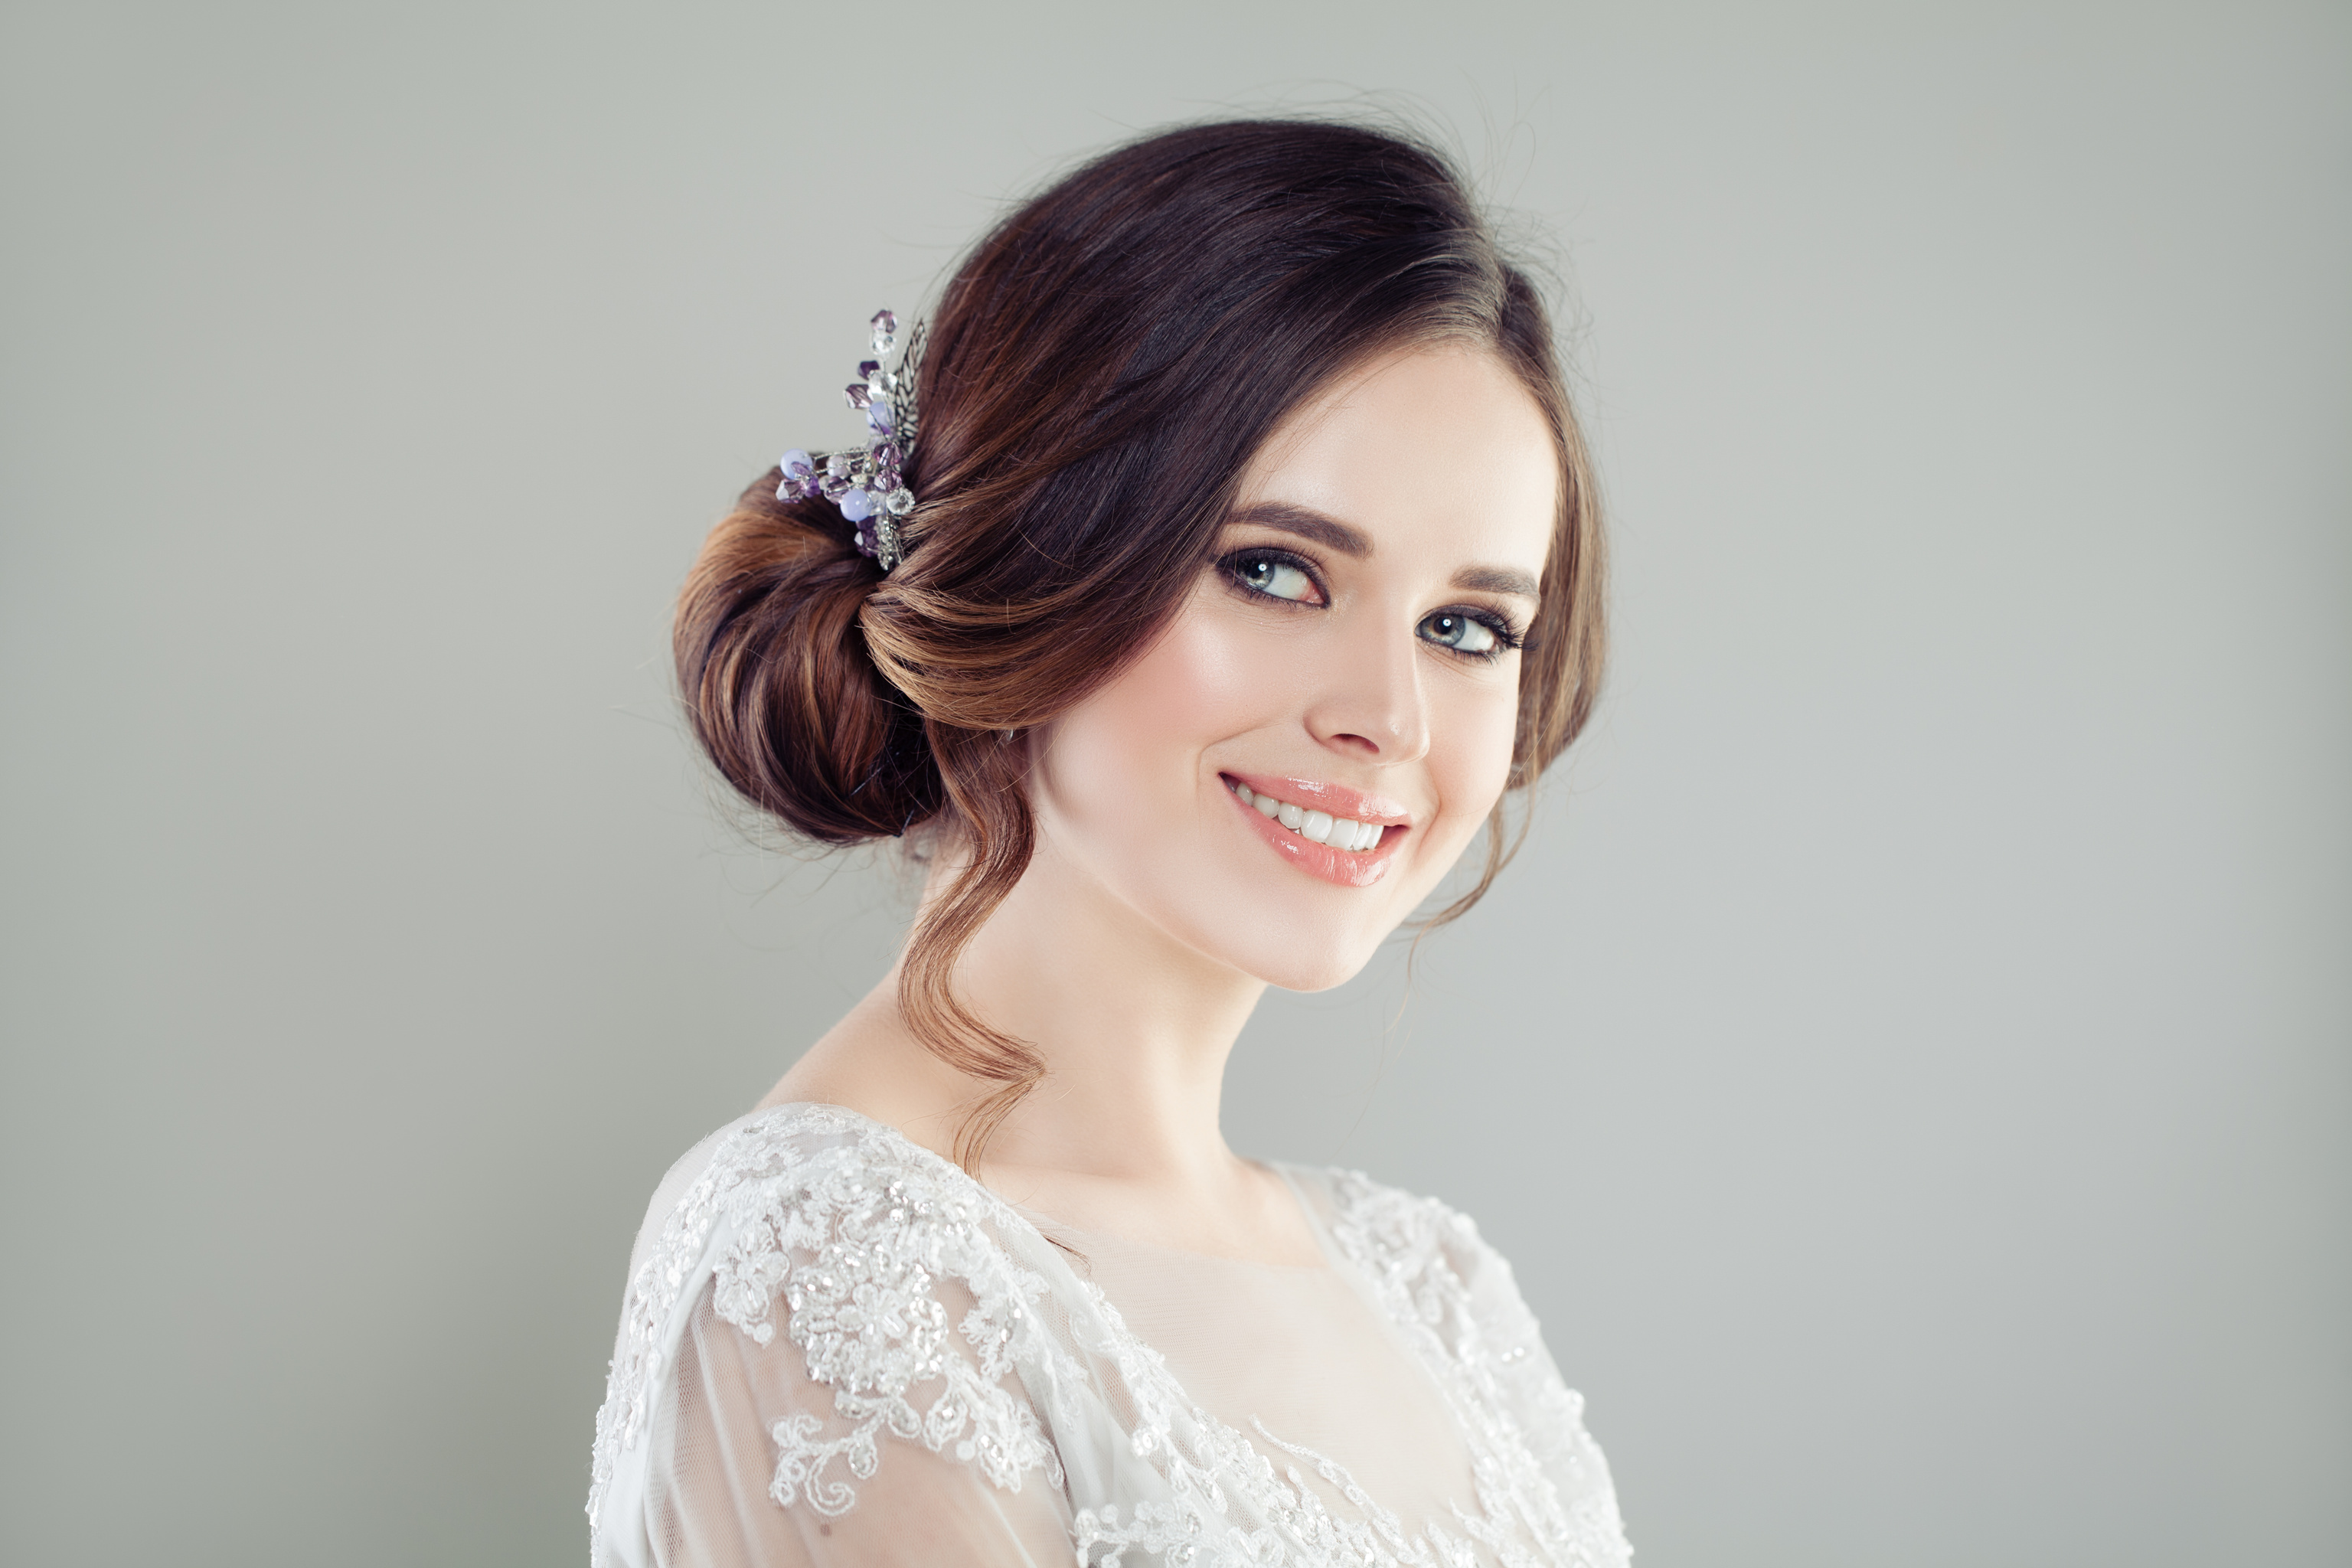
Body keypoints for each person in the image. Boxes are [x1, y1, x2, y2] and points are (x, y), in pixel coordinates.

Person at [587, 117, 1632, 1568]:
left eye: (1468, 626)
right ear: (1038, 563)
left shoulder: (1429, 1284)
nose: (1389, 718)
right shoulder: (839, 1263)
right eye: (1275, 572)